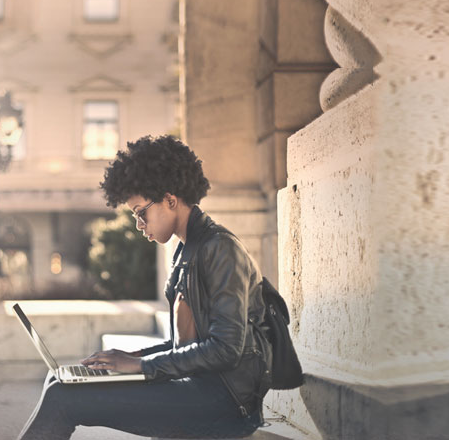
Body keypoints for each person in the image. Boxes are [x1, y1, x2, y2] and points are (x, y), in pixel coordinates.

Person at [17, 135, 271, 440]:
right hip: (198, 389)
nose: (139, 224)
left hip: (224, 404)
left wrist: (140, 364)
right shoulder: (187, 250)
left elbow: (226, 350)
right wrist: (128, 357)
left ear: (170, 200)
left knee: (63, 398)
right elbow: (187, 346)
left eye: (141, 212)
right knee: (59, 381)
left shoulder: (219, 249)